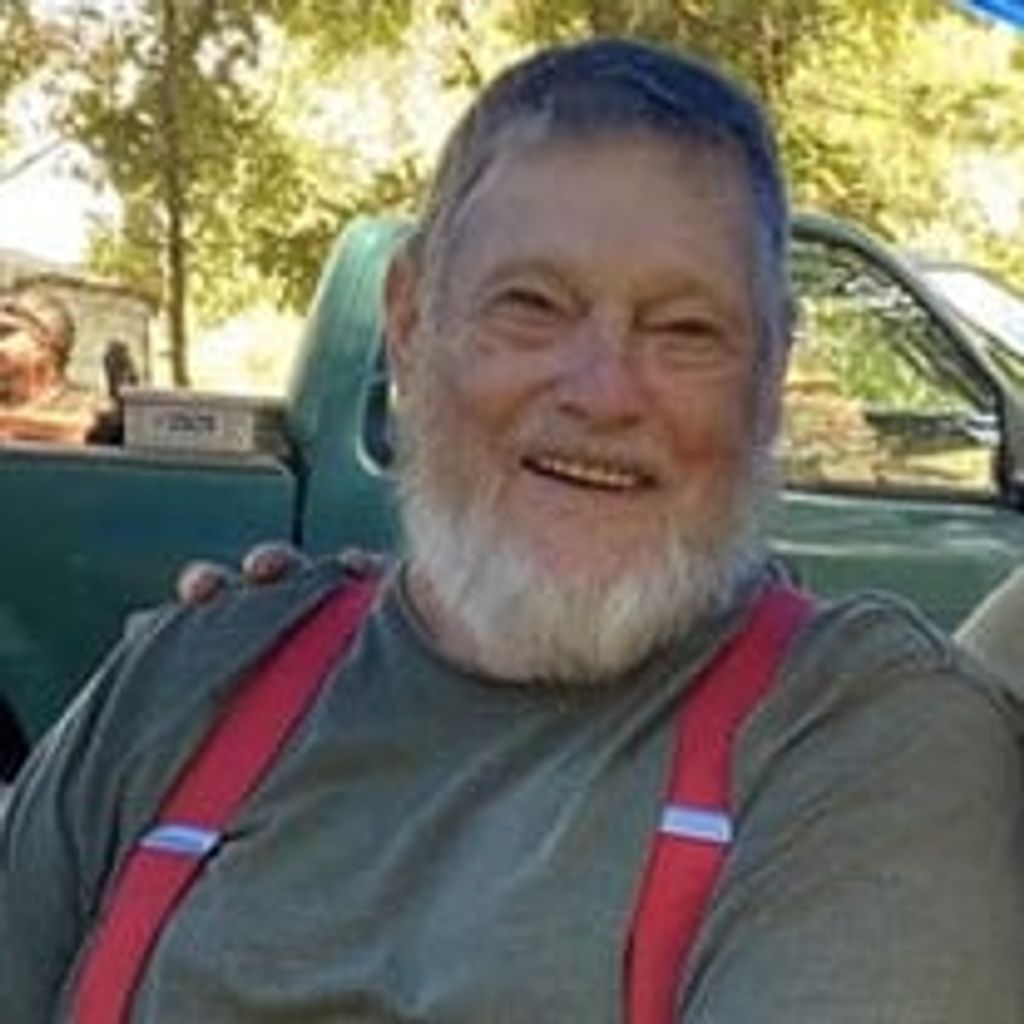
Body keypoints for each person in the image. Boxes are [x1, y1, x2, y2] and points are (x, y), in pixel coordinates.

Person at [2, 38, 1023, 1023]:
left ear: (770, 375)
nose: (605, 391)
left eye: (686, 331)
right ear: (409, 321)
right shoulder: (186, 681)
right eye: (532, 305)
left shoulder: (862, 737)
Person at [0, 286, 101, 443]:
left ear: (47, 344)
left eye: (5, 333)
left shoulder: (89, 404)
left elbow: (91, 429)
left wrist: (11, 423)